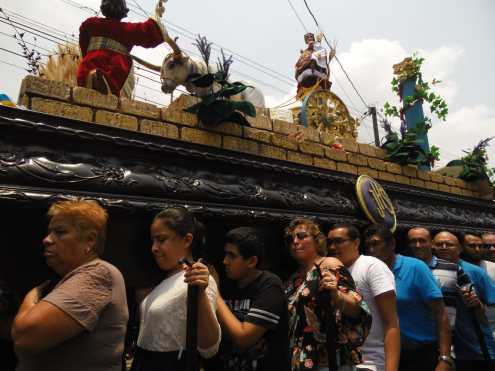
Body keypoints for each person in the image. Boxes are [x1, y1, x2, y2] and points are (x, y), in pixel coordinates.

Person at [12, 199, 129, 371]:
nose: (46, 240)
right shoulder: (67, 279)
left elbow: (25, 337)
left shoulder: (97, 273)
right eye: (49, 232)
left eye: (60, 232)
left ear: (90, 240)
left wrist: (35, 292)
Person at [132, 207, 221, 371]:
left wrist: (200, 294)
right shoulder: (165, 279)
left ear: (187, 240)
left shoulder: (196, 278)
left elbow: (210, 348)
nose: (154, 248)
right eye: (153, 241)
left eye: (161, 239)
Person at [285, 218, 371, 371]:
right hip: (300, 357)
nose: (295, 242)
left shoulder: (329, 264)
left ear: (317, 241)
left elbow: (357, 308)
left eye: (302, 236)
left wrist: (336, 294)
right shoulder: (294, 278)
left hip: (328, 357)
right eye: (290, 239)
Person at [363, 225, 451, 371]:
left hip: (419, 353)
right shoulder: (369, 271)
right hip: (383, 354)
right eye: (368, 246)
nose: (372, 251)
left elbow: (440, 314)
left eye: (375, 244)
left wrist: (445, 358)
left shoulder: (416, 268)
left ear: (391, 244)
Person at [215, 227, 289, 371]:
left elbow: (244, 338)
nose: (225, 261)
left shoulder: (270, 285)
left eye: (232, 255)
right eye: (225, 254)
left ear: (251, 261)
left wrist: (215, 295)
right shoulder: (228, 284)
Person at [328, 223, 400, 371]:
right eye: (330, 242)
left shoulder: (372, 266)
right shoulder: (332, 272)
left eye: (339, 241)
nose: (333, 247)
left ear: (356, 243)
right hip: (342, 361)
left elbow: (391, 323)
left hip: (371, 363)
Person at [432, 231, 495, 371]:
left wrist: (477, 305)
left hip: (475, 349)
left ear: (460, 248)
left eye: (449, 244)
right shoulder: (428, 270)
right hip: (439, 349)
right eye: (439, 244)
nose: (444, 247)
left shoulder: (475, 272)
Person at [77, 0, 166, 97]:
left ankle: (92, 77)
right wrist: (157, 15)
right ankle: (103, 81)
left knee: (85, 72)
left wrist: (91, 54)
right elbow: (149, 31)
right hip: (113, 75)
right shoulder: (127, 30)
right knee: (117, 70)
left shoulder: (90, 23)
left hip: (87, 68)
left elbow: (83, 44)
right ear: (123, 13)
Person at [407, 227, 459, 329]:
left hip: (448, 335)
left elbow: (472, 303)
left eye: (422, 241)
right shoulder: (401, 268)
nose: (417, 245)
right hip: (413, 336)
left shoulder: (453, 268)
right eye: (413, 241)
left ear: (432, 243)